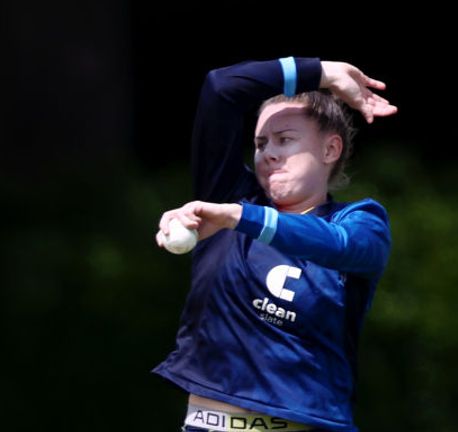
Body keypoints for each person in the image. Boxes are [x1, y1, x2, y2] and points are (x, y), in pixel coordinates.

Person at [153, 57, 397, 432]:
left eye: (285, 140)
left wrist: (238, 217)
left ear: (330, 150)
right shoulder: (231, 197)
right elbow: (220, 88)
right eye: (260, 143)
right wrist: (322, 72)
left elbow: (339, 245)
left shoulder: (360, 222)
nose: (268, 153)